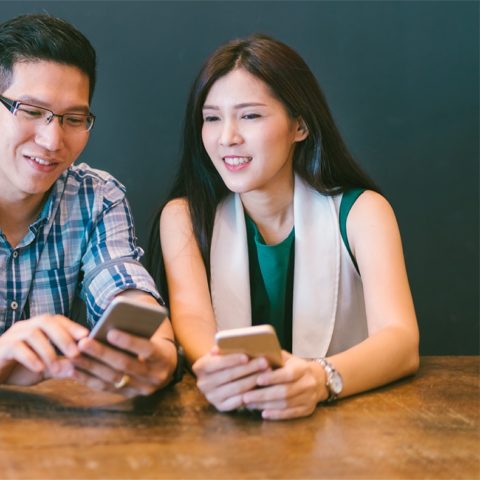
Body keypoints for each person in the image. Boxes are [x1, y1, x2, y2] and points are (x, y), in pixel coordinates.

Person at [150, 34, 419, 420]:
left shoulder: (363, 212)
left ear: (300, 126)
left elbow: (401, 340)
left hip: (352, 423)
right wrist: (230, 375)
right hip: (231, 425)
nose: (227, 137)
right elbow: (193, 319)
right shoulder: (184, 217)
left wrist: (319, 378)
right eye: (212, 118)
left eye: (250, 115)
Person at [0, 13, 181, 395]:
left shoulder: (96, 197)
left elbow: (121, 285)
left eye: (74, 118)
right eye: (31, 111)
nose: (52, 140)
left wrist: (160, 352)